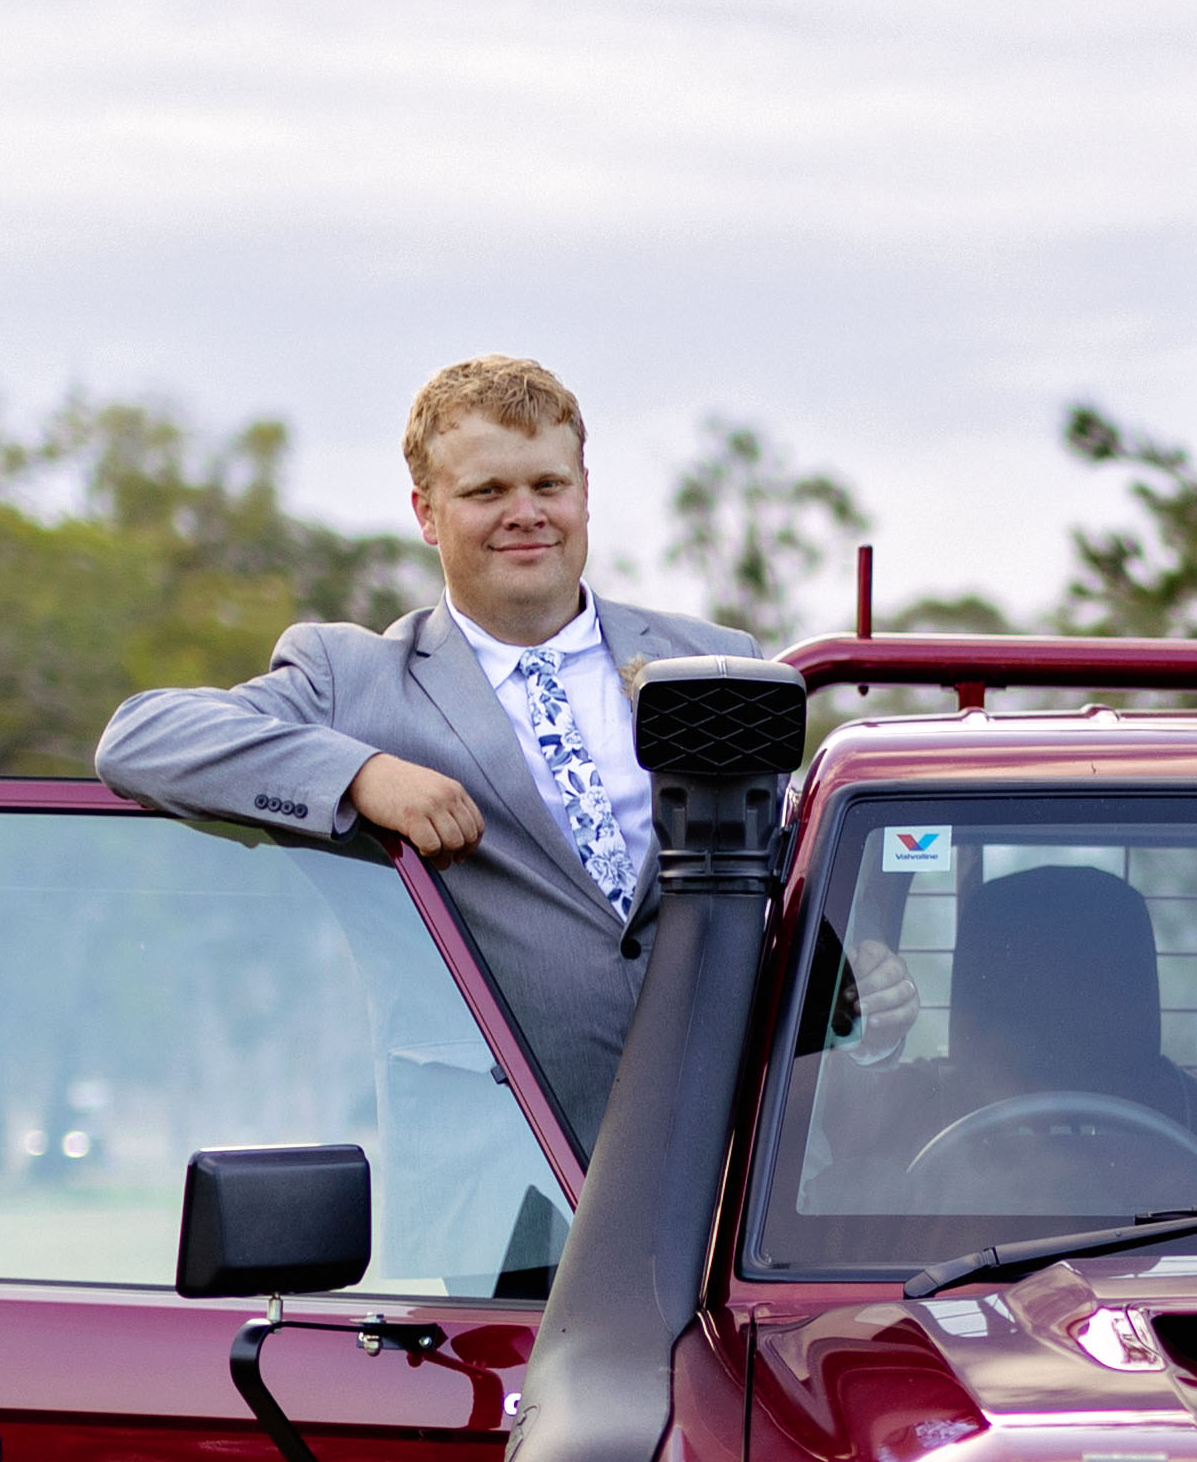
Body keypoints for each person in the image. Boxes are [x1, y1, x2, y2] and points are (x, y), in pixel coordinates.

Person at [96, 355, 760, 1147]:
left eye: (548, 485)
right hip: (499, 1175)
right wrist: (361, 774)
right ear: (426, 512)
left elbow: (776, 873)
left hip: (725, 1160)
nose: (525, 513)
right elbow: (140, 737)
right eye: (487, 492)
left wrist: (855, 977)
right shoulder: (351, 680)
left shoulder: (718, 660)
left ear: (584, 490)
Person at [813, 861, 1197, 1208]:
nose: (1061, 1003)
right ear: (978, 994)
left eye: (1087, 979)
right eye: (1027, 983)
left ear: (1135, 990)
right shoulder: (912, 1104)